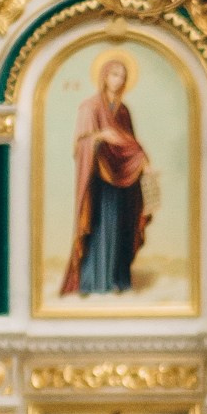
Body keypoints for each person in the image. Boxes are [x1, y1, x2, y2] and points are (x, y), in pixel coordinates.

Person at [60, 53, 153, 296]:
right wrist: (101, 136)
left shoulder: (123, 111)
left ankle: (117, 279)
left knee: (121, 228)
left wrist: (140, 159)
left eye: (122, 76)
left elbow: (129, 143)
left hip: (123, 180)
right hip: (99, 182)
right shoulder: (90, 107)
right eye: (114, 74)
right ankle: (93, 282)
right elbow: (80, 145)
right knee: (99, 227)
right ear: (104, 77)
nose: (118, 80)